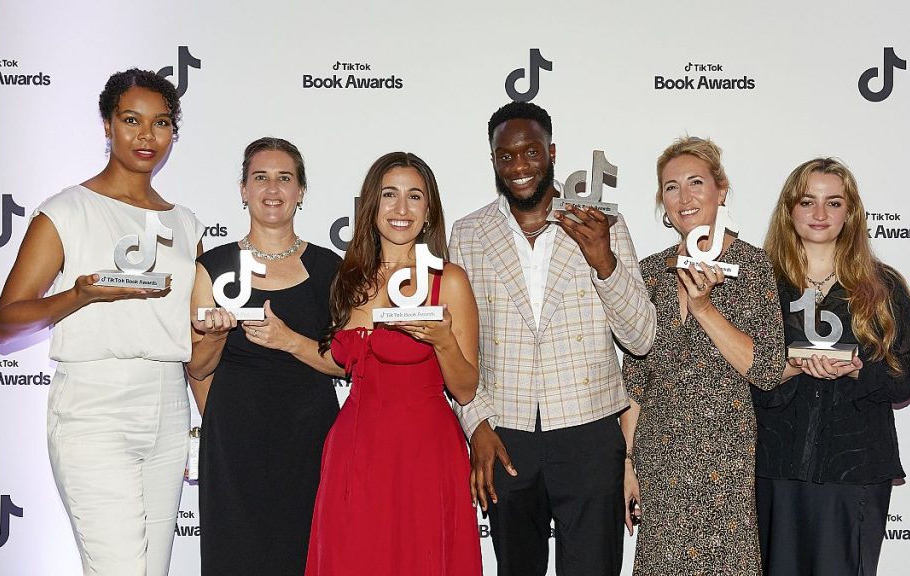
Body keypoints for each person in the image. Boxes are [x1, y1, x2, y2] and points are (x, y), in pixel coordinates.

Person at [0, 69, 203, 576]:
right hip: (94, 408)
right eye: (132, 120)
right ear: (107, 125)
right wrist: (81, 294)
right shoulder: (65, 211)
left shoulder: (185, 223)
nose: (147, 136)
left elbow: (193, 336)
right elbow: (7, 323)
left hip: (169, 406)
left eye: (161, 123)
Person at [449, 101, 657, 576]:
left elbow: (642, 338)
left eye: (530, 152)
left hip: (588, 432)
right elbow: (459, 348)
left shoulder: (603, 225)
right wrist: (476, 424)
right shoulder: (469, 234)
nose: (519, 166)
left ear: (552, 152)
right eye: (506, 156)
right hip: (505, 437)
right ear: (494, 161)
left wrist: (604, 261)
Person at [305, 152, 482, 575]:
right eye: (390, 195)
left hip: (424, 453)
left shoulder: (448, 280)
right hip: (354, 451)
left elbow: (465, 388)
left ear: (429, 211)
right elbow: (339, 359)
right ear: (371, 205)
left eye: (414, 197)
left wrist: (442, 341)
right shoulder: (349, 280)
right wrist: (285, 340)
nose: (401, 209)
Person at [753, 158, 910, 576]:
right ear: (788, 210)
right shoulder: (760, 284)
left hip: (854, 469)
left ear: (850, 213)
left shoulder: (881, 285)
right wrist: (786, 369)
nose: (819, 214)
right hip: (775, 464)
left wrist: (857, 371)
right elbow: (734, 373)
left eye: (833, 203)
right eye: (807, 201)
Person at [621, 136, 784, 575]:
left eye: (696, 182)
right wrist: (628, 464)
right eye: (671, 187)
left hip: (724, 463)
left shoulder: (752, 266)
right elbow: (635, 381)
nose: (685, 197)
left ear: (721, 190)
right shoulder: (652, 271)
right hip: (659, 461)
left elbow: (767, 368)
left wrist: (704, 309)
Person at [188, 137, 344, 575]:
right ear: (243, 190)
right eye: (260, 177)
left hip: (310, 437)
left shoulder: (330, 269)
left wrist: (289, 339)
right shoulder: (212, 267)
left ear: (301, 192)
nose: (271, 189)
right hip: (235, 440)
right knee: (235, 555)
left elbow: (346, 363)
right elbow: (197, 367)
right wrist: (217, 337)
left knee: (306, 554)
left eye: (284, 178)